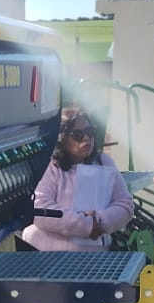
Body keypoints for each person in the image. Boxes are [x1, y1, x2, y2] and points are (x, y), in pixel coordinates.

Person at [21, 107, 135, 251]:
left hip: (95, 255)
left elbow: (125, 205)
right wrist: (86, 225)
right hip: (47, 254)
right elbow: (40, 210)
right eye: (78, 135)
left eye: (90, 132)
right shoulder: (49, 166)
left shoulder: (104, 162)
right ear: (62, 138)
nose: (87, 138)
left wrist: (99, 222)